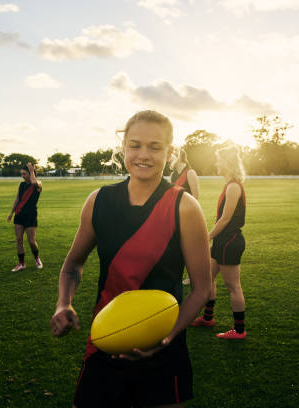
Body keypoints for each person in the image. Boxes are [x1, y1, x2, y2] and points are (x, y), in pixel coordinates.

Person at [50, 110, 211, 407]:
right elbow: (72, 265)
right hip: (106, 343)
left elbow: (202, 288)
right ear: (123, 147)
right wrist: (64, 302)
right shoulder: (98, 201)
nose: (144, 155)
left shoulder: (184, 207)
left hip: (163, 351)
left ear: (170, 152)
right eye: (135, 145)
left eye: (155, 147)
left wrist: (165, 337)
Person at [191, 144, 247, 339]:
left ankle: (239, 331)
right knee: (208, 279)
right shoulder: (230, 184)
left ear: (227, 163)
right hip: (223, 241)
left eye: (219, 160)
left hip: (229, 241)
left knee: (233, 286)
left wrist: (206, 237)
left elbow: (225, 219)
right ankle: (208, 319)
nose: (216, 163)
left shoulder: (233, 187)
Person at [169, 148, 200, 286]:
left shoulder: (190, 172)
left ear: (180, 156)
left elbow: (196, 195)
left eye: (172, 156)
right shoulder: (173, 174)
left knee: (189, 248)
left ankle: (191, 276)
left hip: (188, 215)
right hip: (174, 215)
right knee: (176, 246)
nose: (169, 158)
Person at [7, 162, 43, 272]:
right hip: (19, 215)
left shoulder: (38, 184)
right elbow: (17, 199)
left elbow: (33, 182)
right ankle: (21, 263)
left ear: (31, 173)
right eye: (21, 174)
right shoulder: (21, 185)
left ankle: (37, 258)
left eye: (24, 174)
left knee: (31, 241)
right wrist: (11, 212)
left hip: (31, 216)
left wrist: (32, 171)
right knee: (19, 240)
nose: (22, 176)